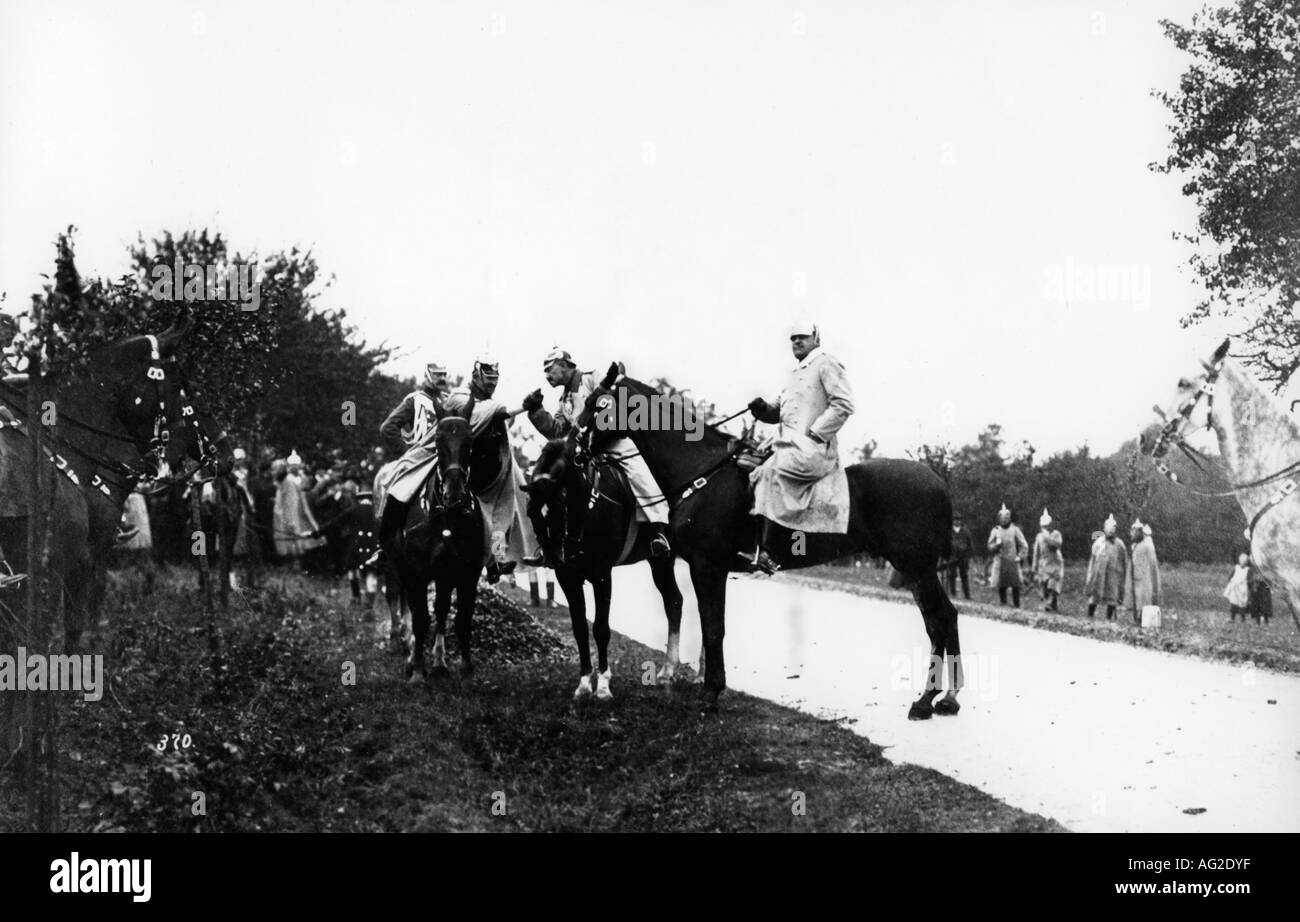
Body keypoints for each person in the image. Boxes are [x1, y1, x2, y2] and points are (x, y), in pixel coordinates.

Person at [521, 346, 672, 565]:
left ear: (564, 366)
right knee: (552, 485)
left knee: (641, 474)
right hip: (582, 452)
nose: (547, 376)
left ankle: (658, 532)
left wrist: (595, 430)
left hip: (612, 442)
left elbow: (614, 400)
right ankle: (550, 547)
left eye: (550, 370)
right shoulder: (563, 401)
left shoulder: (591, 379)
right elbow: (557, 431)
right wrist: (536, 411)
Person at [743, 317, 855, 574]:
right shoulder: (795, 374)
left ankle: (769, 552)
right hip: (788, 446)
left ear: (816, 338)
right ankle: (751, 543)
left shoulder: (826, 363)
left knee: (770, 471)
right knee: (752, 467)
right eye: (793, 338)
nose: (796, 342)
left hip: (815, 449)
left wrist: (816, 433)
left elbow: (844, 404)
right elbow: (778, 412)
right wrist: (763, 410)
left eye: (802, 337)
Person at [441, 354, 532, 578]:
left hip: (491, 473)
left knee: (504, 513)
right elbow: (486, 413)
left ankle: (496, 561)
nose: (492, 385)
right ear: (476, 377)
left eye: (495, 381)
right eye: (488, 380)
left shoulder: (490, 403)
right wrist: (523, 406)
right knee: (411, 481)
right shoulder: (460, 397)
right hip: (458, 463)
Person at [366, 362, 450, 569]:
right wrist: (408, 452)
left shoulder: (449, 401)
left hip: (447, 458)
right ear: (427, 376)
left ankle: (489, 555)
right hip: (419, 460)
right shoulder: (414, 401)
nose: (441, 379)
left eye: (443, 374)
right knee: (398, 494)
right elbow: (388, 428)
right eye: (437, 375)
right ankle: (384, 547)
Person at [273, 452, 326, 566]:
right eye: (292, 466)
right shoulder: (288, 481)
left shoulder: (304, 478)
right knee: (296, 536)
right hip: (294, 509)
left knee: (309, 532)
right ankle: (298, 561)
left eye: (296, 465)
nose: (294, 468)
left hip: (304, 507)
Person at [1084, 514, 1127, 619]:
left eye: (1113, 529)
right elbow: (1093, 559)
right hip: (1099, 573)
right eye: (1108, 528)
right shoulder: (1098, 543)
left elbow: (1124, 561)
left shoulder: (1120, 545)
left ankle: (1108, 617)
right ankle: (1090, 615)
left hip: (1113, 574)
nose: (1111, 531)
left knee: (1112, 596)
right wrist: (1091, 574)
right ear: (1104, 529)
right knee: (1095, 594)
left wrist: (1121, 573)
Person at [987, 504, 1028, 607]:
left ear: (1009, 518)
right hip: (1000, 559)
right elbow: (989, 545)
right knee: (1001, 583)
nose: (1004, 520)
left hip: (1012, 559)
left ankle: (1016, 604)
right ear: (999, 519)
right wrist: (996, 545)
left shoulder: (1015, 529)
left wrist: (1020, 556)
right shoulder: (995, 530)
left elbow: (1024, 544)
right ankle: (1003, 603)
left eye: (1006, 518)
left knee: (1015, 583)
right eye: (1002, 518)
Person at [1125, 519, 1162, 625]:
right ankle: (1137, 619)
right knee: (1136, 599)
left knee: (1144, 599)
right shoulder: (1136, 546)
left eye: (1134, 532)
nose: (1131, 534)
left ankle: (1143, 620)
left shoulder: (1146, 546)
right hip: (1136, 578)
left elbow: (1152, 564)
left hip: (1144, 578)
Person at [1031, 508, 1064, 612]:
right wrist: (1034, 565)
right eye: (1043, 526)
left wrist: (1048, 538)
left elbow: (1056, 545)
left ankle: (1049, 604)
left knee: (1052, 584)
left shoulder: (1056, 534)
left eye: (1047, 526)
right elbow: (1036, 551)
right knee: (1044, 585)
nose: (1045, 528)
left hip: (1055, 562)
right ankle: (1052, 603)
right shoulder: (1039, 536)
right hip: (1044, 562)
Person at [944, 511, 974, 600]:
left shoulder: (965, 531)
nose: (957, 522)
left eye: (958, 520)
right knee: (952, 575)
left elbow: (970, 544)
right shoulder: (948, 531)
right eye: (955, 520)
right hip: (952, 556)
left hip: (963, 557)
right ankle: (953, 594)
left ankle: (967, 595)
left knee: (964, 575)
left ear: (961, 521)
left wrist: (969, 556)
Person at [1224, 553, 1251, 622]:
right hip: (1235, 588)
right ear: (1239, 561)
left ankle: (1243, 619)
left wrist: (1248, 587)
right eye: (1242, 561)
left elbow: (1249, 580)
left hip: (1243, 589)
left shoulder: (1248, 570)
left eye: (1244, 561)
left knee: (1242, 603)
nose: (1243, 563)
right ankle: (1232, 618)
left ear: (1246, 562)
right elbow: (1230, 577)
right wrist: (1232, 581)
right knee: (1233, 602)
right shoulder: (1236, 568)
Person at [1248, 559, 1273, 625]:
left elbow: (1270, 580)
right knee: (1257, 606)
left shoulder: (1267, 569)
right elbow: (1248, 580)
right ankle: (1257, 622)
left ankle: (1266, 621)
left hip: (1264, 590)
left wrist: (1264, 580)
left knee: (1265, 606)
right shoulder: (1251, 570)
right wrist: (1254, 580)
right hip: (1256, 591)